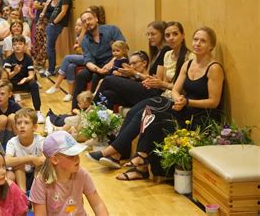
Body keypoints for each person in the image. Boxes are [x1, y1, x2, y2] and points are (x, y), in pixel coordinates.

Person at [114, 26, 225, 181]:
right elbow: (175, 89)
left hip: (201, 117)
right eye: (196, 39)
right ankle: (142, 161)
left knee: (160, 121)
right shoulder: (188, 64)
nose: (198, 43)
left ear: (211, 46)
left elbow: (214, 102)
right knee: (151, 112)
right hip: (184, 108)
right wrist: (178, 98)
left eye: (203, 41)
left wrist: (187, 101)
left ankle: (143, 165)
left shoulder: (214, 68)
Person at [87, 22, 195, 167]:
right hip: (161, 93)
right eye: (168, 35)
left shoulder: (189, 57)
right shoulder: (167, 54)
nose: (171, 38)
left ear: (183, 36)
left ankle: (94, 126)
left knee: (108, 80)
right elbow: (159, 79)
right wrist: (150, 80)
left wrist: (137, 75)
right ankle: (117, 153)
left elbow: (177, 88)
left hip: (170, 98)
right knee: (123, 104)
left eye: (175, 34)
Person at [30, 131, 109, 216]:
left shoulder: (82, 174)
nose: (77, 158)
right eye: (71, 156)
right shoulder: (40, 182)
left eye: (77, 154)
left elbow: (98, 204)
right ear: (54, 160)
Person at [95, 21, 170, 109]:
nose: (150, 37)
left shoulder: (165, 50)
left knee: (108, 80)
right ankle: (101, 120)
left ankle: (90, 111)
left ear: (162, 34)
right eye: (148, 34)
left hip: (153, 92)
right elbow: (148, 76)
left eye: (153, 34)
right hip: (145, 86)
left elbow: (157, 82)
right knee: (108, 94)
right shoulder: (155, 52)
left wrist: (134, 73)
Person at [71, 10, 125, 110]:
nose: (87, 22)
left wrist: (110, 63)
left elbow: (123, 47)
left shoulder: (112, 29)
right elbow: (88, 61)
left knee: (96, 76)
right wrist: (98, 69)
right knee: (81, 75)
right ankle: (76, 110)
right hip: (97, 65)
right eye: (84, 21)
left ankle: (93, 109)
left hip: (115, 62)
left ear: (96, 19)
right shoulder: (85, 40)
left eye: (89, 19)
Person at [4, 35, 43, 122]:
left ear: (25, 46)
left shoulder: (28, 58)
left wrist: (26, 79)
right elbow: (6, 76)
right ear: (12, 47)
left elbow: (31, 75)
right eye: (15, 44)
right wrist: (15, 72)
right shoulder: (9, 59)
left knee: (34, 85)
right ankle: (11, 112)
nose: (17, 46)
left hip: (24, 82)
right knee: (6, 86)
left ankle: (38, 111)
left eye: (20, 44)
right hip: (12, 83)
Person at [5, 108, 45, 192]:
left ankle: (38, 192)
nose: (22, 126)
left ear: (34, 127)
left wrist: (38, 160)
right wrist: (30, 158)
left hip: (35, 175)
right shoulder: (12, 142)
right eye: (19, 123)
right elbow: (7, 161)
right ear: (15, 127)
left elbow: (44, 159)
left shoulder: (40, 140)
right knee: (18, 166)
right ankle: (22, 194)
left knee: (42, 168)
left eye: (26, 123)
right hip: (19, 177)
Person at [45, 18, 84, 102]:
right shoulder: (78, 35)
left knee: (67, 58)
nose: (76, 27)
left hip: (88, 58)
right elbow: (77, 51)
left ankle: (56, 85)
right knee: (70, 66)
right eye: (76, 25)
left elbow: (84, 51)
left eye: (80, 25)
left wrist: (78, 49)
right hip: (81, 58)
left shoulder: (86, 35)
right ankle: (70, 94)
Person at [45, 0, 72, 76]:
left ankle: (50, 70)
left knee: (50, 47)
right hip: (52, 24)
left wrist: (54, 22)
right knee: (49, 47)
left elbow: (64, 12)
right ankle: (50, 69)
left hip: (55, 25)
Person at [31, 0, 53, 68]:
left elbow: (51, 6)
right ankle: (38, 61)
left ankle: (44, 62)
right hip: (38, 20)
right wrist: (44, 4)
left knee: (45, 42)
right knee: (38, 41)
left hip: (47, 20)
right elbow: (35, 6)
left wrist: (41, 4)